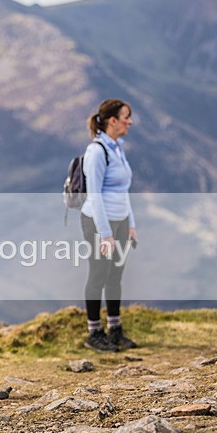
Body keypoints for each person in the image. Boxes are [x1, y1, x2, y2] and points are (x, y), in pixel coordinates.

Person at [80, 99, 139, 352]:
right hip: (98, 222)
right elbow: (95, 195)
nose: (130, 121)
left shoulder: (117, 148)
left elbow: (122, 190)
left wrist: (131, 224)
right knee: (98, 274)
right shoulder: (97, 152)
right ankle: (94, 333)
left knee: (115, 275)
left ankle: (115, 330)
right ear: (112, 121)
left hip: (120, 220)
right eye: (126, 116)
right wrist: (105, 234)